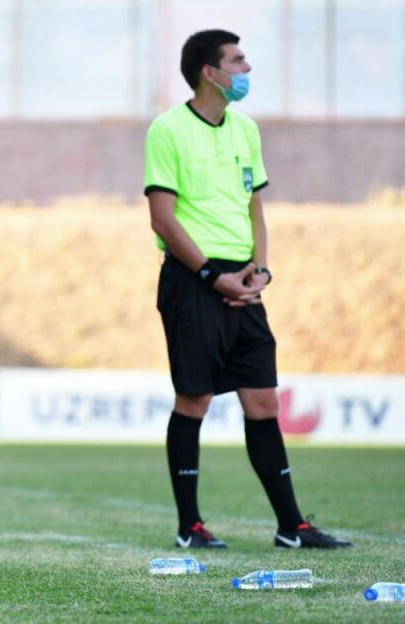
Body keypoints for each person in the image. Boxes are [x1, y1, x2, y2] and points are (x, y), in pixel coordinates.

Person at [144, 30, 351, 550]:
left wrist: (261, 270)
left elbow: (255, 207)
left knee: (263, 402)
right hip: (194, 282)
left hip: (245, 284)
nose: (247, 69)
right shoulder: (168, 129)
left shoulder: (246, 129)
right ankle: (190, 526)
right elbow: (163, 219)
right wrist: (211, 277)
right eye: (237, 61)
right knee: (194, 399)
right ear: (209, 72)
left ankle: (291, 527)